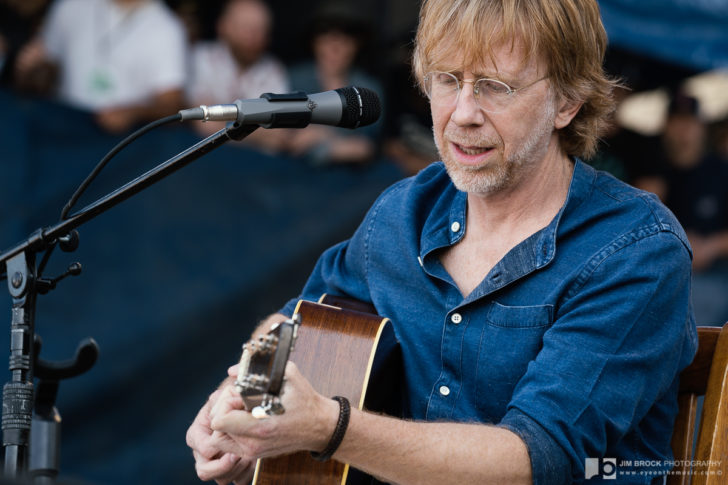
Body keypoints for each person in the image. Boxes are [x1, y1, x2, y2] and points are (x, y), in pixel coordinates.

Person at [187, 1, 697, 483]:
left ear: (566, 102)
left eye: (496, 86)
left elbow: (538, 459)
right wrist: (237, 403)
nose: (463, 113)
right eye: (448, 80)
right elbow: (296, 324)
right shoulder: (404, 211)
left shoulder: (635, 248)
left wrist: (329, 427)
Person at [13, 0, 187, 134]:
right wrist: (31, 71)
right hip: (60, 130)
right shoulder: (71, 6)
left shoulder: (166, 27)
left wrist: (134, 112)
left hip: (122, 147)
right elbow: (43, 75)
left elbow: (172, 105)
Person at [649, 92, 728, 325]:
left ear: (701, 127)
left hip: (711, 271)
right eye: (677, 122)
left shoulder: (720, 170)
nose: (683, 130)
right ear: (666, 126)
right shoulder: (653, 169)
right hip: (663, 268)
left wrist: (710, 246)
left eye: (690, 122)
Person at [286, 4, 384, 165]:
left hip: (353, 181)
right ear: (314, 42)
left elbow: (365, 148)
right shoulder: (293, 79)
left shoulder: (369, 88)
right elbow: (290, 142)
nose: (334, 48)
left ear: (357, 45)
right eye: (326, 38)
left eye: (345, 40)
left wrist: (321, 136)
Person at [186, 0, 289, 152]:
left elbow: (279, 136)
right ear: (223, 27)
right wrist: (258, 133)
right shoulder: (201, 58)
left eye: (261, 30)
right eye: (246, 28)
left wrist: (221, 125)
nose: (254, 37)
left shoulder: (273, 70)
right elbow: (203, 123)